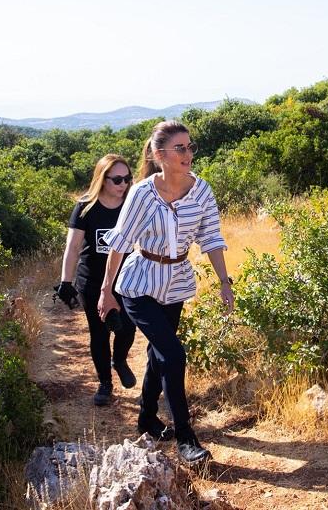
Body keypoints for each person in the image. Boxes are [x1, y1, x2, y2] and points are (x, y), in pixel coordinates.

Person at [98, 120, 234, 465]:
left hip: (175, 282)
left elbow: (211, 239)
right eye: (180, 148)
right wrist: (106, 291)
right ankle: (186, 437)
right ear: (160, 155)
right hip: (139, 283)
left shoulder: (202, 191)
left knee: (160, 355)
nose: (188, 153)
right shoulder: (142, 193)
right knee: (172, 354)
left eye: (190, 147)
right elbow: (120, 243)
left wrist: (223, 281)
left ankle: (147, 418)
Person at [54, 154, 137, 407]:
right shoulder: (86, 207)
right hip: (91, 281)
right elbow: (73, 247)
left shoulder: (132, 205)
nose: (123, 184)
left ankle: (119, 359)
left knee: (127, 327)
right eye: (117, 179)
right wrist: (65, 282)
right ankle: (105, 383)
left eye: (127, 178)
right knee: (99, 333)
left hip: (127, 279)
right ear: (102, 180)